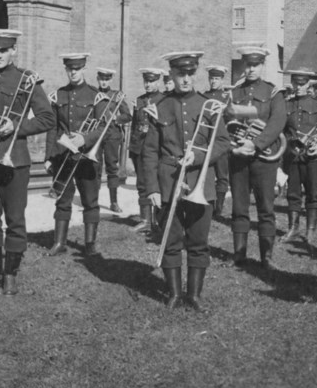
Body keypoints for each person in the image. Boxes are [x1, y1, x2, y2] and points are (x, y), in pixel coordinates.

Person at [0, 29, 54, 295]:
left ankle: (10, 274)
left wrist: (16, 126)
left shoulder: (27, 80)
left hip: (15, 159)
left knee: (15, 218)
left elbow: (47, 118)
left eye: (4, 50)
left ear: (13, 50)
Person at [143, 51, 231, 311]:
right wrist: (152, 188)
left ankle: (194, 295)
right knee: (170, 240)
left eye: (190, 73)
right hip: (168, 181)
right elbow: (150, 151)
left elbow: (223, 142)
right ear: (171, 75)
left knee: (198, 240)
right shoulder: (160, 106)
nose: (185, 79)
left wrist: (198, 157)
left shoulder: (210, 105)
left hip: (199, 181)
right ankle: (173, 294)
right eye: (180, 74)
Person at [226, 47, 286, 269]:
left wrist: (255, 143)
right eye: (247, 65)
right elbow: (225, 125)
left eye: (255, 65)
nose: (250, 69)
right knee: (239, 207)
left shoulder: (273, 93)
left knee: (265, 207)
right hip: (239, 158)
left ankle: (266, 258)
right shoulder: (234, 93)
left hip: (264, 158)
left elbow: (276, 124)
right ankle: (239, 255)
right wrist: (237, 148)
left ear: (262, 66)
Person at [45, 53, 110, 256]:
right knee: (62, 199)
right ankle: (59, 242)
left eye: (77, 68)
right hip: (63, 155)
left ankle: (90, 244)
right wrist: (48, 157)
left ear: (84, 69)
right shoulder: (58, 95)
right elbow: (52, 128)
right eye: (70, 69)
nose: (73, 72)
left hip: (86, 158)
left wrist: (85, 139)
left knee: (90, 200)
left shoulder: (96, 96)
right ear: (66, 70)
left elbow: (103, 128)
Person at [281, 69, 317, 245]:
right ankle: (293, 229)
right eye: (295, 83)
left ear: (308, 84)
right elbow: (281, 130)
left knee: (312, 194)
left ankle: (310, 231)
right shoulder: (286, 104)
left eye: (302, 83)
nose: (298, 87)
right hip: (292, 157)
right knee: (293, 193)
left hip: (312, 157)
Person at [129, 67, 167, 234]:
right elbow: (134, 125)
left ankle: (159, 220)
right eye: (146, 81)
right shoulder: (139, 100)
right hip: (139, 147)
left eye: (151, 81)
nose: (148, 84)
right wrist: (132, 147)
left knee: (158, 183)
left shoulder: (165, 100)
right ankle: (145, 220)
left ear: (158, 81)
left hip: (157, 148)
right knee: (142, 184)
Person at [94, 67, 132, 213]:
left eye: (107, 79)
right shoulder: (93, 94)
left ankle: (114, 202)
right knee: (95, 168)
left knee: (112, 168)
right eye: (101, 79)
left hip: (112, 136)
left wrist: (116, 118)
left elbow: (128, 116)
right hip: (96, 135)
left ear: (111, 80)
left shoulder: (117, 96)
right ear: (98, 79)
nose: (104, 82)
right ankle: (94, 201)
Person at [205, 65, 232, 217]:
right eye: (212, 78)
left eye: (217, 78)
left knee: (222, 175)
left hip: (221, 142)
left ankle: (218, 209)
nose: (214, 81)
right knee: (207, 175)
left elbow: (233, 118)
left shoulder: (228, 98)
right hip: (207, 141)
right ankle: (207, 204)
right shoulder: (203, 96)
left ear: (222, 80)